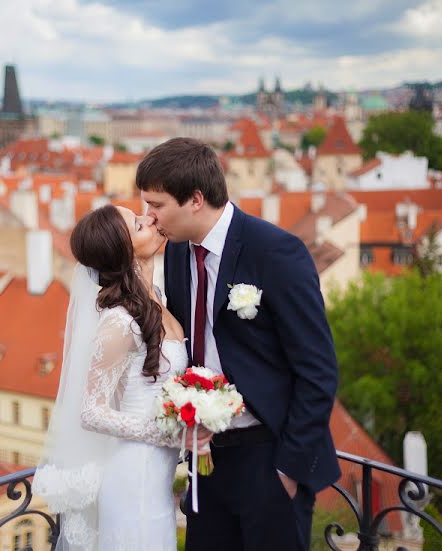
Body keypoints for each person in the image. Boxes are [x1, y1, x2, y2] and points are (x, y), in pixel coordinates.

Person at [137, 137, 340, 551]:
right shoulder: (176, 253)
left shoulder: (276, 252)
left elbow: (318, 370)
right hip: (206, 459)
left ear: (195, 199)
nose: (150, 217)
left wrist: (288, 470)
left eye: (156, 205)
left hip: (268, 456)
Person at [34, 204, 210, 551]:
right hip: (134, 480)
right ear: (123, 250)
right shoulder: (119, 322)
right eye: (138, 224)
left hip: (157, 481)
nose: (150, 219)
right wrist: (170, 434)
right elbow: (91, 412)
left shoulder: (157, 299)